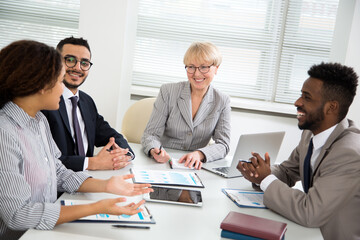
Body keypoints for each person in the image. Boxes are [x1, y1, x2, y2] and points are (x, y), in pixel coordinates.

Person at [0, 40, 152, 240]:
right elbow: (18, 215)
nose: (62, 88)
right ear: (40, 85)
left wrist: (107, 185)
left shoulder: (39, 122)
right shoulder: (5, 133)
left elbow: (60, 172)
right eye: (59, 80)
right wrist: (97, 207)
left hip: (46, 230)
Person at [237, 62, 360, 239]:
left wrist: (266, 179)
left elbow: (310, 211)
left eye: (307, 97)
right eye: (300, 95)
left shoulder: (349, 154)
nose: (297, 102)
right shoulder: (310, 134)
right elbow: (287, 172)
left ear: (331, 107)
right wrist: (258, 172)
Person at [42, 36, 133, 171]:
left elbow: (113, 136)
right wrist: (91, 163)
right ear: (55, 62)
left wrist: (122, 154)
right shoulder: (44, 101)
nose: (78, 68)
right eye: (70, 60)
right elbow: (43, 159)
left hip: (88, 179)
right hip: (57, 186)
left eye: (84, 63)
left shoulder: (86, 101)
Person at [141, 42, 231, 170]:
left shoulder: (222, 100)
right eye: (191, 67)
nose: (197, 74)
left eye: (204, 67)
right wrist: (154, 150)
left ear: (216, 68)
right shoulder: (168, 91)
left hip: (195, 166)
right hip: (163, 163)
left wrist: (200, 154)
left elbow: (223, 145)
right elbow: (150, 134)